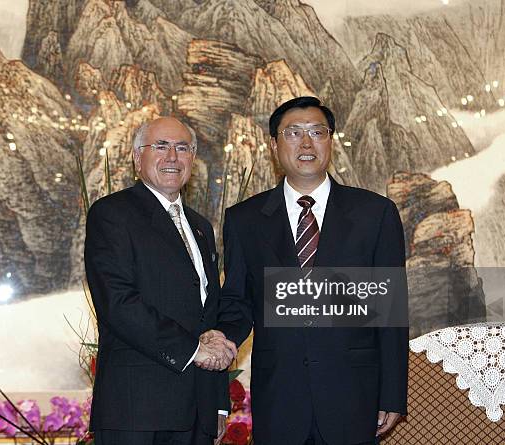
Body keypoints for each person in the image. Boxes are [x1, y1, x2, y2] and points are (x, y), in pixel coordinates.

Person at [209, 96, 408, 444]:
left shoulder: (375, 214)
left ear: (330, 141)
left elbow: (389, 314)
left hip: (354, 395)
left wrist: (391, 394)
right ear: (274, 145)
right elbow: (238, 301)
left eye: (317, 132)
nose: (305, 143)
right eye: (293, 133)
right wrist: (221, 339)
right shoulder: (245, 220)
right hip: (281, 396)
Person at [85, 117, 236, 445]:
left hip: (198, 410)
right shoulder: (112, 214)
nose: (172, 156)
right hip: (137, 410)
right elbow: (118, 304)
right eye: (161, 146)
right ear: (138, 157)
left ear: (192, 160)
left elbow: (208, 317)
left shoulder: (200, 228)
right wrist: (193, 350)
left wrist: (219, 405)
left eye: (182, 148)